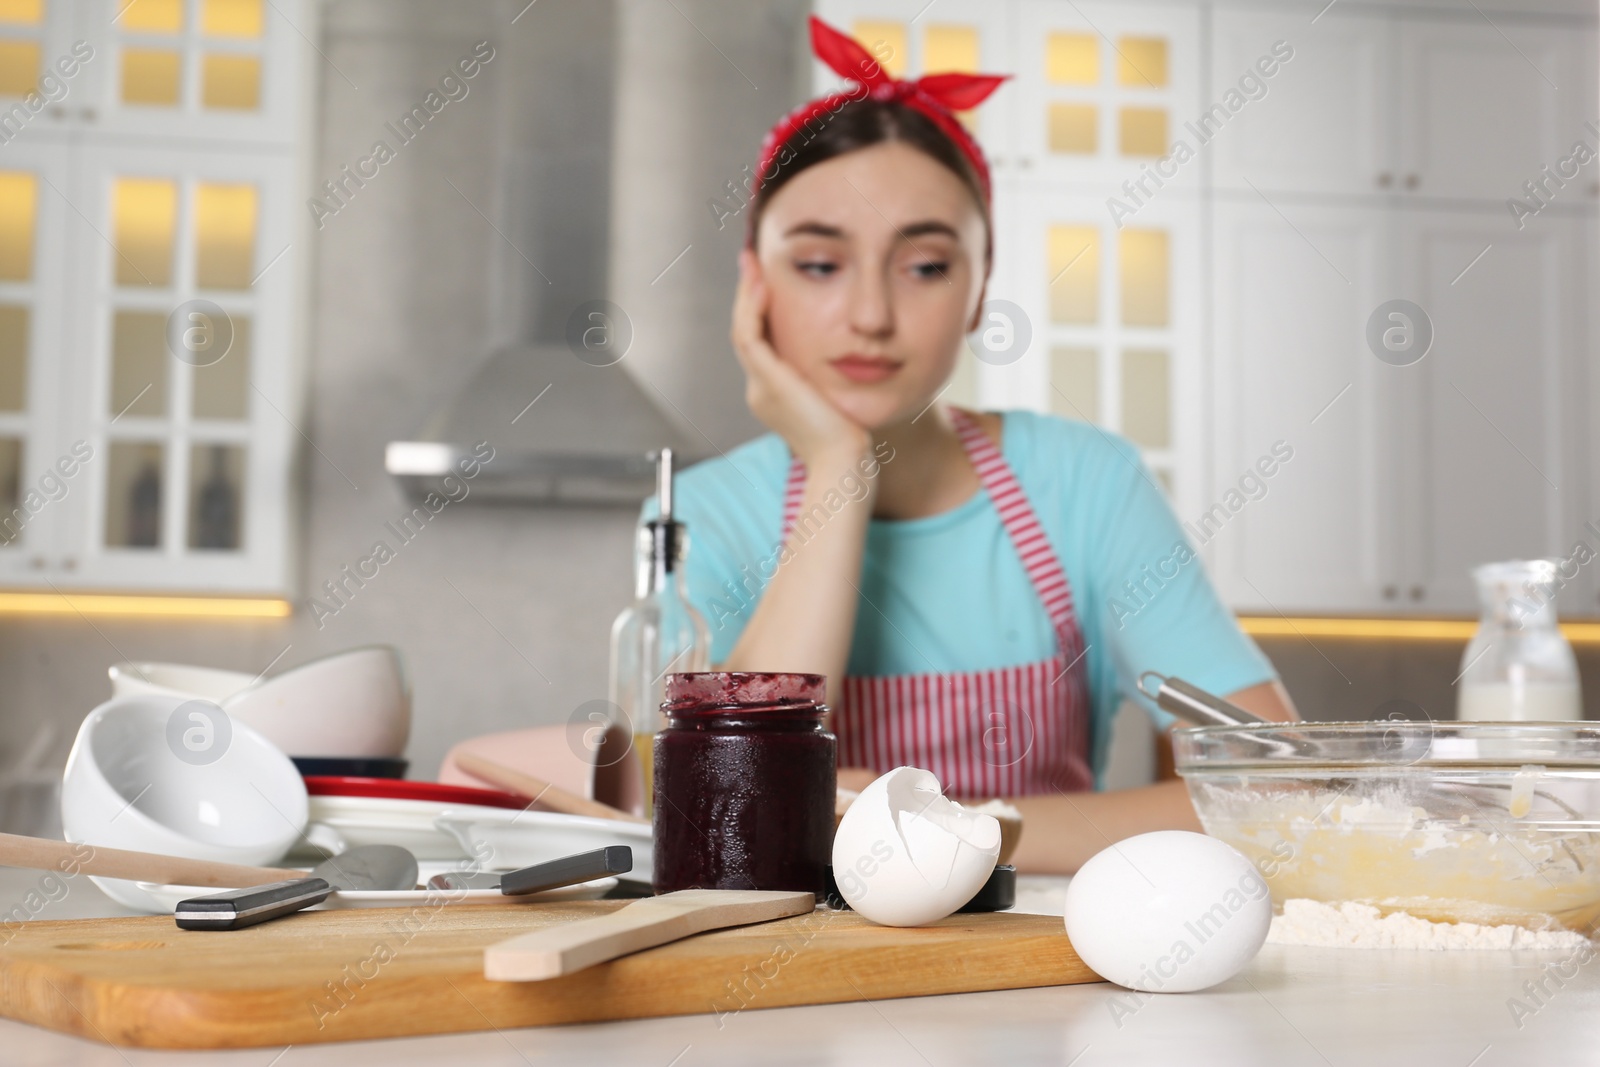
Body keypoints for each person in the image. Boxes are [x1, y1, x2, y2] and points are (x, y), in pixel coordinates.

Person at [659, 17, 1296, 874]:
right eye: (819, 264)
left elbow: (1276, 792)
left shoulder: (1085, 483)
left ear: (979, 288)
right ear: (755, 284)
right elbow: (734, 816)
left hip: (1042, 972)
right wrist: (840, 467)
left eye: (924, 266)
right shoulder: (697, 515)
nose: (872, 316)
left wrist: (939, 828)